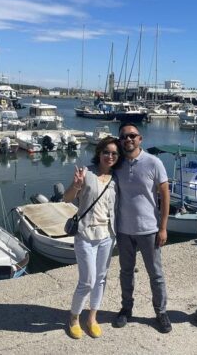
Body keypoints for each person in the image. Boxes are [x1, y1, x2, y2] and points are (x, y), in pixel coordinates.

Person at [114, 122, 172, 333]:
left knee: (155, 273)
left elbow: (165, 195)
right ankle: (126, 309)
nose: (128, 139)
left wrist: (163, 227)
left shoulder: (153, 162)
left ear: (140, 139)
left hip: (149, 229)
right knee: (125, 272)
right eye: (123, 137)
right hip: (123, 229)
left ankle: (161, 312)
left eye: (132, 136)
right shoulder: (117, 164)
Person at [63, 136, 122, 339]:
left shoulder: (116, 178)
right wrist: (77, 185)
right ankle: (73, 318)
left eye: (114, 153)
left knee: (101, 279)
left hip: (107, 236)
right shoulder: (86, 173)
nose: (110, 156)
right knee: (87, 281)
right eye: (106, 152)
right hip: (85, 234)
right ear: (99, 153)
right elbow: (67, 198)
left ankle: (92, 318)